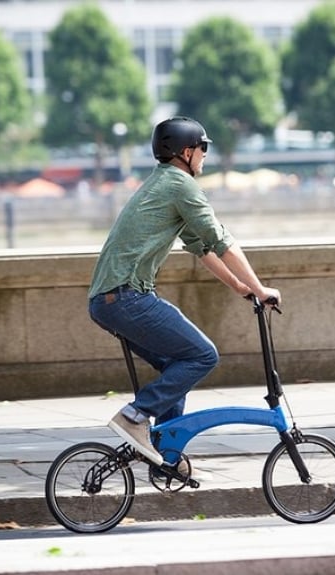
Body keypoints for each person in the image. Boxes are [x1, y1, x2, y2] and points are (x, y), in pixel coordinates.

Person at [88, 116, 281, 477]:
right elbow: (222, 241)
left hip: (109, 300)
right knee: (202, 354)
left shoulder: (162, 182)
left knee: (176, 364)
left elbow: (199, 245)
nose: (205, 156)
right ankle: (134, 416)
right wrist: (260, 288)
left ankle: (165, 458)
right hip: (126, 296)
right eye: (202, 148)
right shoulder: (180, 185)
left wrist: (239, 288)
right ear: (186, 151)